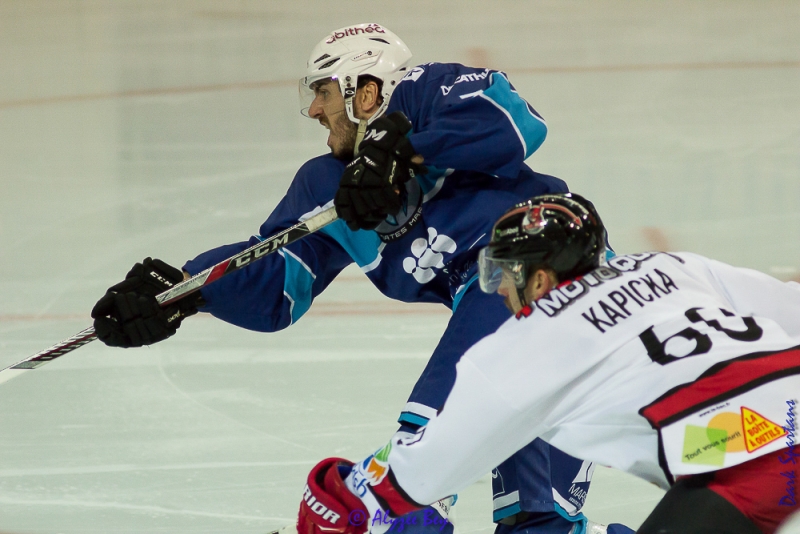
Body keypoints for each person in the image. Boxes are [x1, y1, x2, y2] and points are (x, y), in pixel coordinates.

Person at [90, 24, 630, 534]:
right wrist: (183, 291)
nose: (313, 109)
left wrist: (404, 151)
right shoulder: (327, 183)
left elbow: (516, 123)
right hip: (523, 322)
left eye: (323, 91)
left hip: (556, 273)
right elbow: (279, 282)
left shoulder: (427, 91)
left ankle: (391, 511)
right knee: (540, 526)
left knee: (414, 474)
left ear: (365, 92)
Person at [296, 192, 800, 534]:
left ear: (538, 280)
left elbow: (419, 475)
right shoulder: (667, 266)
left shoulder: (525, 341)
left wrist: (339, 496)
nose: (501, 291)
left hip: (749, 450)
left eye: (505, 274)